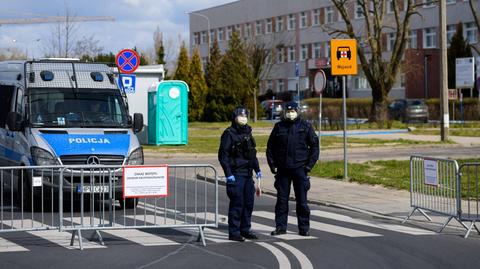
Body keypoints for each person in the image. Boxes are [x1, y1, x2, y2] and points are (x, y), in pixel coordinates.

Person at [266, 101, 319, 236]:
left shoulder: (306, 126)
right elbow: (270, 147)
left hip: (300, 168)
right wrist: (272, 165)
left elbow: (314, 147)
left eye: (293, 111)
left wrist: (308, 166)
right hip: (283, 169)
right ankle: (280, 227)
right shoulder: (279, 127)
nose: (290, 113)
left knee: (302, 201)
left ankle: (304, 228)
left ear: (298, 111)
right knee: (282, 201)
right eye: (288, 111)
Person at [218, 106, 262, 242]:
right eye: (240, 116)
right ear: (235, 117)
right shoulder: (229, 134)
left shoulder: (248, 133)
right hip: (236, 174)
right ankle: (234, 232)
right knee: (237, 203)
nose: (243, 118)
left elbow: (252, 154)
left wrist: (258, 169)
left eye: (245, 116)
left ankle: (245, 229)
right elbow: (223, 156)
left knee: (248, 203)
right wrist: (228, 174)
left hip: (248, 174)